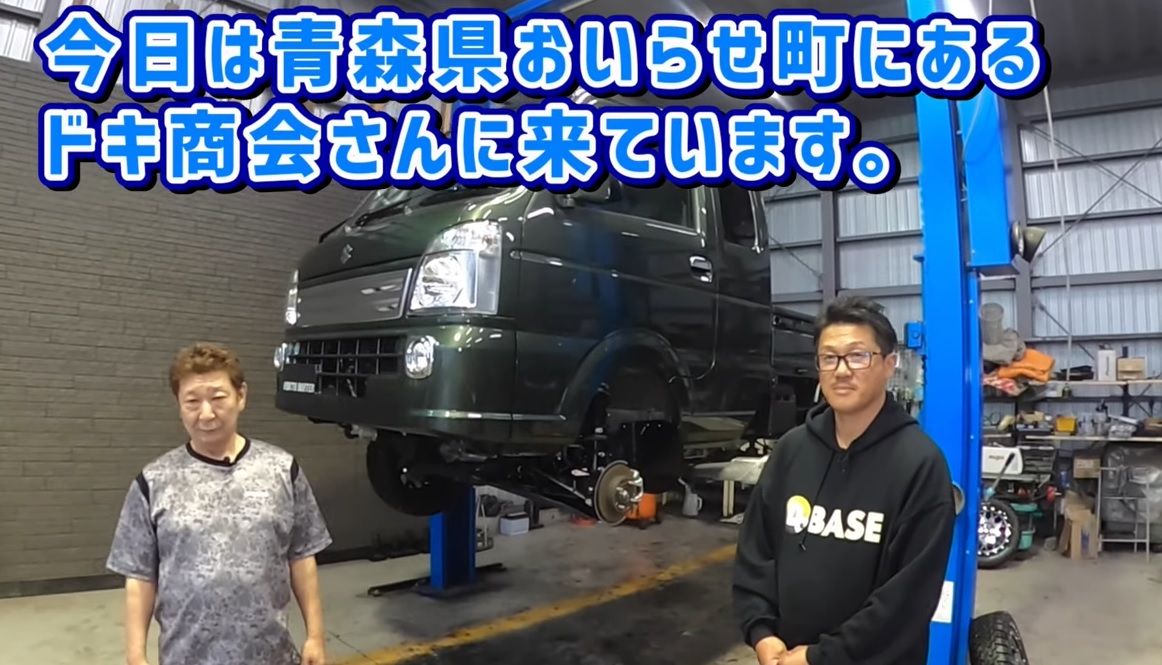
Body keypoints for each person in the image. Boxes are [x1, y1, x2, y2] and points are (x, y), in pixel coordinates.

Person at [732, 295, 956, 665]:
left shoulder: (920, 464)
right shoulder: (791, 450)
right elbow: (756, 552)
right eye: (829, 357)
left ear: (888, 364)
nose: (841, 370)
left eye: (857, 356)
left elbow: (907, 599)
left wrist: (822, 657)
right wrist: (761, 632)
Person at [106, 342, 334, 665]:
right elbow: (140, 578)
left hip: (271, 656)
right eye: (192, 401)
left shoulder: (282, 470)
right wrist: (135, 656)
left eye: (217, 398)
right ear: (179, 405)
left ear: (241, 396)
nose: (206, 414)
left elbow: (302, 557)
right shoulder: (153, 482)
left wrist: (315, 636)